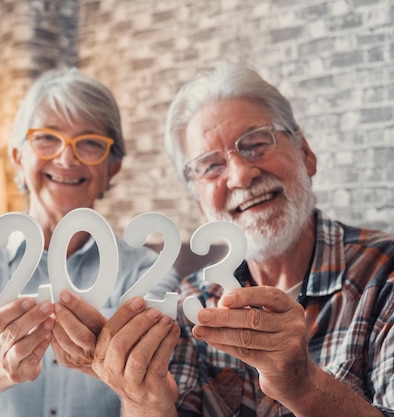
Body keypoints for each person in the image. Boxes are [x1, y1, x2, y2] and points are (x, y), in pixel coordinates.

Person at [89, 62, 394, 417]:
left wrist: (307, 387)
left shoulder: (384, 275)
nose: (240, 175)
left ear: (306, 154)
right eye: (211, 166)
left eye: (256, 144)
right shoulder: (192, 306)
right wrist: (144, 402)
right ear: (199, 203)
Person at [0, 67, 180, 417]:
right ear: (18, 158)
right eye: (47, 138)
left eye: (90, 143)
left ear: (113, 168)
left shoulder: (147, 271)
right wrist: (2, 358)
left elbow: (150, 388)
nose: (66, 158)